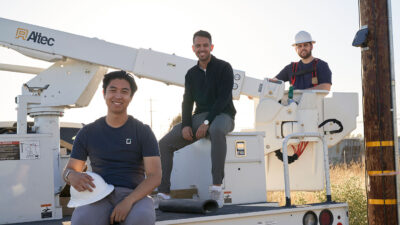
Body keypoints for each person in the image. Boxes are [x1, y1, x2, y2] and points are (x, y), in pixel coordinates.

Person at [63, 70, 161, 225]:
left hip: (135, 195)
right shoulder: (88, 132)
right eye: (113, 90)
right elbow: (69, 170)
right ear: (104, 93)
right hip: (98, 195)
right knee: (81, 220)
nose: (118, 96)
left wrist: (128, 201)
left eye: (124, 91)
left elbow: (155, 175)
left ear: (131, 97)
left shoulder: (143, 131)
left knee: (141, 219)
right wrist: (71, 176)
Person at [157, 30, 236, 208]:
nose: (202, 49)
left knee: (216, 129)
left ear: (211, 47)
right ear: (193, 48)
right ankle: (163, 192)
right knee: (164, 143)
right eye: (198, 46)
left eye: (205, 45)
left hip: (224, 115)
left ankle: (216, 188)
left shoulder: (224, 68)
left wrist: (207, 123)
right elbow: (187, 101)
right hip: (198, 117)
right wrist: (186, 124)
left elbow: (223, 99)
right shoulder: (191, 73)